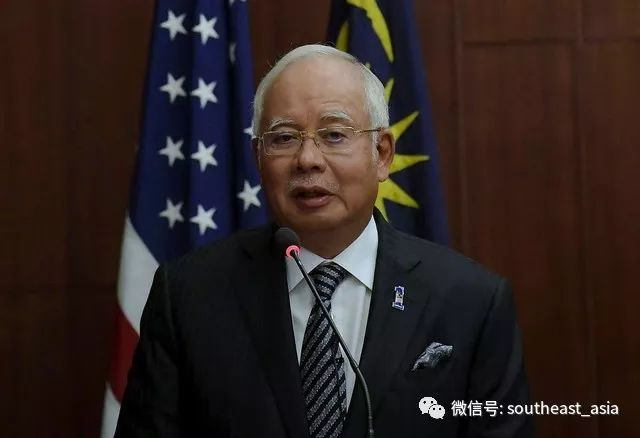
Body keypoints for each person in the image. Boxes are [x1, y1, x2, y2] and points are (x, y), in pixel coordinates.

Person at [115, 44, 534, 437]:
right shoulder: (189, 295)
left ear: (382, 153)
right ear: (258, 157)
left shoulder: (470, 302)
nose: (308, 159)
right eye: (284, 138)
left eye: (334, 135)